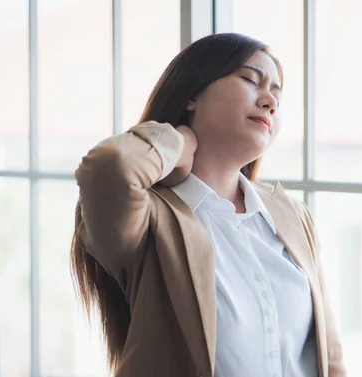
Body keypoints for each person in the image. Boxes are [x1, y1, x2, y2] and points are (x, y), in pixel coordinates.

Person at [70, 33, 345, 377]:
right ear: (192, 94)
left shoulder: (292, 217)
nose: (270, 102)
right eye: (250, 79)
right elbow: (110, 167)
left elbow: (331, 362)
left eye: (276, 92)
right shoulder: (149, 218)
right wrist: (180, 143)